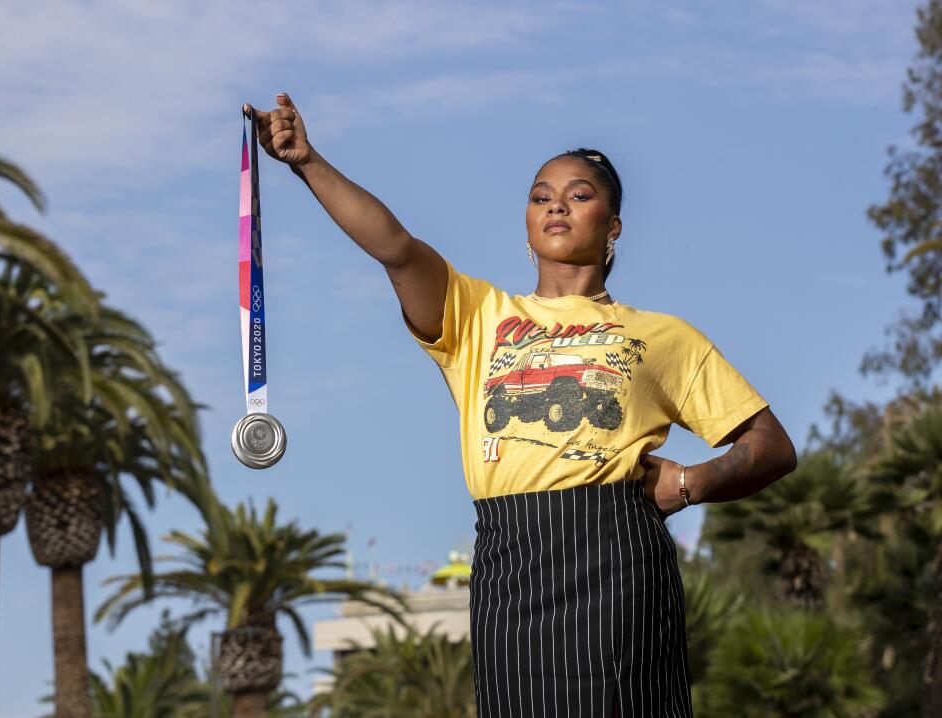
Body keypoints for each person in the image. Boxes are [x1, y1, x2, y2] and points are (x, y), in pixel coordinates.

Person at [244, 93, 797, 718]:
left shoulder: (663, 337)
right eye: (540, 196)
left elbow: (772, 447)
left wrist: (693, 482)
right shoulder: (477, 316)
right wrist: (306, 161)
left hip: (615, 556)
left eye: (580, 194)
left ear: (614, 226)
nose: (556, 204)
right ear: (527, 222)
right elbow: (395, 247)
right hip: (510, 560)